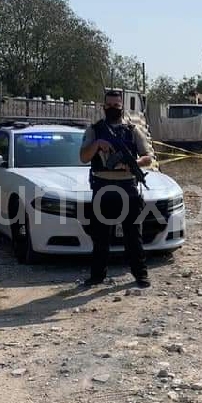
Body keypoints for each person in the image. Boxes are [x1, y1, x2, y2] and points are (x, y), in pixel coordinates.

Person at [79, 90, 156, 287]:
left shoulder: (132, 130)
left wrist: (133, 163)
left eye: (117, 105)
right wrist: (97, 144)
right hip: (103, 187)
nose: (113, 109)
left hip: (127, 187)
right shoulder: (94, 130)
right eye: (109, 105)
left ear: (122, 107)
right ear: (104, 107)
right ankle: (97, 276)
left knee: (133, 236)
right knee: (101, 237)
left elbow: (149, 157)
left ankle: (140, 275)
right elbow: (84, 157)